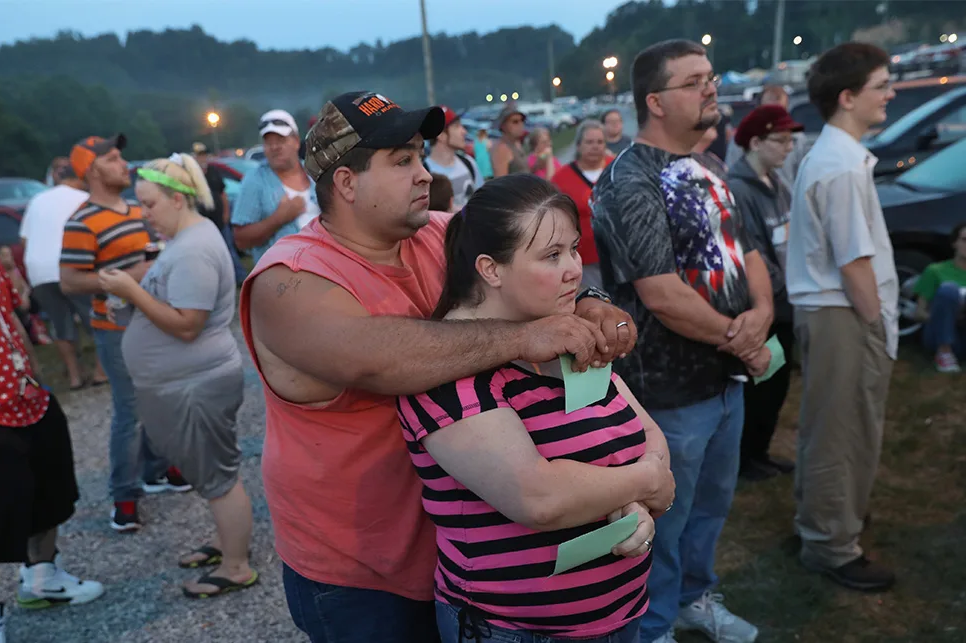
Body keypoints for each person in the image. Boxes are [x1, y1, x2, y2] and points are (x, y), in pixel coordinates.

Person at [240, 90, 636, 642]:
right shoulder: (289, 281)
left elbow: (528, 247)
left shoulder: (435, 233)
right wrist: (527, 334)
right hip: (361, 570)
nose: (424, 174)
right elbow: (381, 360)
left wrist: (588, 297)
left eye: (422, 156)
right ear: (347, 184)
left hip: (459, 549)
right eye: (402, 161)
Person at [399, 174, 674, 643]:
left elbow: (649, 440)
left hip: (618, 615)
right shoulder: (447, 373)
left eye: (572, 249)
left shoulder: (560, 334)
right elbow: (539, 499)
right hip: (515, 629)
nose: (574, 269)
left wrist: (630, 504)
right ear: (490, 269)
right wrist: (646, 483)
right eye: (551, 256)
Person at [593, 39, 775, 643]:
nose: (711, 87)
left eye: (711, 76)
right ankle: (654, 626)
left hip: (726, 379)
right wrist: (740, 337)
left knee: (710, 510)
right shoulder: (629, 180)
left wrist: (763, 313)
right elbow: (660, 293)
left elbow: (748, 252)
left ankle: (695, 600)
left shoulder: (712, 167)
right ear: (655, 100)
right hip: (666, 391)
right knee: (661, 524)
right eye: (694, 80)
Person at [98, 153, 257, 599]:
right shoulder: (188, 240)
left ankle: (236, 564)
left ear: (177, 199)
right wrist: (135, 296)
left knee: (220, 479)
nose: (143, 213)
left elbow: (188, 324)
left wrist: (130, 290)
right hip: (187, 383)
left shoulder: (194, 250)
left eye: (149, 204)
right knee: (213, 476)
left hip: (195, 383)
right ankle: (228, 544)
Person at [0, 162, 103, 643]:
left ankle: (42, 578)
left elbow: (10, 321)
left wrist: (38, 376)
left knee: (50, 495)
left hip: (29, 400)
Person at [786, 42, 898, 592]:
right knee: (843, 429)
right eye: (881, 85)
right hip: (842, 314)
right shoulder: (840, 165)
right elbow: (854, 262)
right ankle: (832, 543)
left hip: (831, 311)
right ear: (848, 97)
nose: (890, 93)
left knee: (829, 426)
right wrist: (877, 325)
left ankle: (825, 520)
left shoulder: (836, 157)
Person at [59, 134, 184, 532]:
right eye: (113, 158)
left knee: (159, 397)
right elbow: (69, 282)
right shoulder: (81, 221)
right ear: (93, 169)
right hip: (114, 326)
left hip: (153, 318)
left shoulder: (135, 208)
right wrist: (129, 277)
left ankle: (157, 470)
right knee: (130, 409)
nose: (123, 163)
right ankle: (124, 496)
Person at [727, 104, 804, 481]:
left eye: (792, 139)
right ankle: (746, 459)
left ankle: (760, 452)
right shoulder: (740, 191)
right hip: (769, 308)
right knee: (762, 388)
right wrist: (788, 293)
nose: (789, 147)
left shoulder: (778, 184)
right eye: (781, 139)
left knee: (777, 386)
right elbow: (752, 256)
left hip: (787, 305)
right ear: (755, 142)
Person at [19, 160, 107, 390]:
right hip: (72, 267)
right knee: (95, 319)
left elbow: (24, 240)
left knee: (60, 325)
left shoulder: (37, 199)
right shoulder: (83, 199)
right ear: (80, 178)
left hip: (39, 271)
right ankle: (101, 371)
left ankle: (75, 376)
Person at [232, 109, 320, 262]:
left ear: (296, 142)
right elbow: (240, 240)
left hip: (324, 267)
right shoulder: (255, 180)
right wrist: (279, 218)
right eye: (268, 142)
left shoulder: (314, 172)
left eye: (280, 140)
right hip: (282, 276)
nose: (274, 147)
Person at [551, 119, 614, 289]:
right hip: (584, 259)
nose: (595, 146)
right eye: (589, 142)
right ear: (578, 145)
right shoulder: (561, 179)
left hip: (620, 255)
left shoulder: (617, 168)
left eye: (600, 142)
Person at [726, 85, 811, 186]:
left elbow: (806, 180)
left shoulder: (798, 140)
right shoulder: (742, 139)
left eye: (781, 112)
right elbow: (732, 176)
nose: (776, 119)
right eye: (769, 112)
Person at [192, 142, 247, 285]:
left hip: (219, 220)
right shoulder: (192, 176)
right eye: (199, 156)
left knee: (228, 249)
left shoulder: (214, 171)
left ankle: (240, 277)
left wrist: (226, 213)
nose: (202, 159)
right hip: (203, 223)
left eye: (203, 155)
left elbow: (223, 194)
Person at [914, 222, 966, 372]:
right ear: (954, 243)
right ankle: (944, 353)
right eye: (964, 240)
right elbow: (919, 313)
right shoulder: (935, 271)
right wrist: (945, 316)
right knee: (949, 290)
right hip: (940, 333)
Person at [424, 106, 483, 211]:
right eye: (456, 126)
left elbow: (483, 200)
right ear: (441, 135)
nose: (464, 131)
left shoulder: (468, 163)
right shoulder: (425, 173)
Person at [491, 102, 529, 177]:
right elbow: (501, 182)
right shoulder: (502, 149)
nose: (520, 125)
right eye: (515, 122)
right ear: (503, 126)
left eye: (522, 121)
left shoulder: (516, 143)